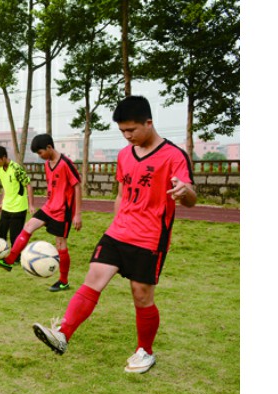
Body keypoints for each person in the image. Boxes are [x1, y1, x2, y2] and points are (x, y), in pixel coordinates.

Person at [32, 95, 196, 374]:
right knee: (93, 278)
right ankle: (63, 334)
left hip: (150, 238)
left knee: (141, 295)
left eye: (132, 130)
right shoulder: (123, 155)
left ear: (149, 122)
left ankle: (145, 351)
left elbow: (191, 197)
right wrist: (116, 222)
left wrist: (185, 192)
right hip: (118, 232)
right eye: (122, 131)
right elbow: (121, 193)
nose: (127, 136)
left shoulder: (174, 156)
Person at [0, 134, 83, 292]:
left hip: (63, 211)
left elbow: (77, 186)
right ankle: (10, 260)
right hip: (49, 207)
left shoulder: (66, 163)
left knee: (61, 244)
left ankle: (63, 281)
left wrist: (78, 214)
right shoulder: (47, 164)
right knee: (28, 226)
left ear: (49, 147)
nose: (40, 157)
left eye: (40, 153)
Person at [0, 145, 34, 262]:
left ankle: (17, 258)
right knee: (0, 234)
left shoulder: (16, 168)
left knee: (15, 236)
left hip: (19, 208)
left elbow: (29, 186)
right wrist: (2, 203)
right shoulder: (0, 170)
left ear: (4, 157)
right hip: (7, 207)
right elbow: (5, 187)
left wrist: (31, 205)